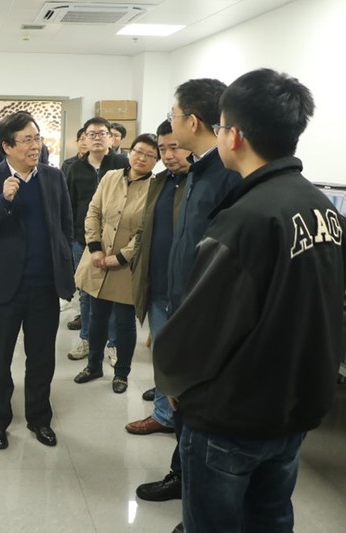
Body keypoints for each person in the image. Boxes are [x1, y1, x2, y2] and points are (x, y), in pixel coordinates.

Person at [155, 68, 343, 532]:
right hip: (293, 407)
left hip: (234, 414)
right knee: (271, 518)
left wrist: (172, 379)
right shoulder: (321, 207)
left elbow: (202, 325)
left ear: (234, 135)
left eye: (220, 127)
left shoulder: (246, 218)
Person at [135, 79, 242, 520]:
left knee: (199, 424)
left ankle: (198, 505)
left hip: (203, 324)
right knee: (187, 421)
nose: (170, 125)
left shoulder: (226, 177)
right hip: (181, 312)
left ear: (192, 122)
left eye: (173, 115)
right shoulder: (198, 171)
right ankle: (184, 481)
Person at [0, 111, 74, 450]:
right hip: (5, 287)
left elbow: (65, 225)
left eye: (37, 138)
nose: (35, 146)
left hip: (45, 286)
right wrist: (4, 200)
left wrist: (65, 265)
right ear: (7, 146)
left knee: (42, 358)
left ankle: (39, 419)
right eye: (27, 140)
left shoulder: (53, 177)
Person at [72, 133, 158, 393]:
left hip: (126, 266)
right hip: (98, 259)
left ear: (156, 161)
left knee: (123, 323)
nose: (141, 158)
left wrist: (121, 256)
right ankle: (93, 365)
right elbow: (93, 212)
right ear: (130, 151)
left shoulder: (156, 188)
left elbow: (145, 231)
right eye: (138, 151)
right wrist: (95, 247)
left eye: (150, 155)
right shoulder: (110, 177)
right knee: (96, 318)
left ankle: (121, 373)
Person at [125, 120, 190, 434]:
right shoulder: (161, 182)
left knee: (184, 356)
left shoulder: (200, 183)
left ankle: (184, 417)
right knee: (161, 352)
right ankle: (164, 414)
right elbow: (145, 227)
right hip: (158, 283)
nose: (168, 155)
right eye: (162, 149)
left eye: (174, 147)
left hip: (188, 289)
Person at [64, 117, 128, 362]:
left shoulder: (122, 164)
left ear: (111, 138)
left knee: (112, 294)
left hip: (116, 240)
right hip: (82, 241)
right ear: (84, 139)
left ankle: (112, 344)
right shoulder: (75, 169)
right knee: (85, 292)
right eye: (92, 134)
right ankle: (87, 339)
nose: (97, 138)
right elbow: (69, 206)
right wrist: (71, 238)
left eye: (102, 133)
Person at [61, 127, 88, 331]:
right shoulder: (70, 165)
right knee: (80, 278)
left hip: (101, 233)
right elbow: (66, 198)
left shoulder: (115, 165)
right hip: (77, 230)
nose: (85, 142)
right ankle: (84, 318)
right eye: (82, 138)